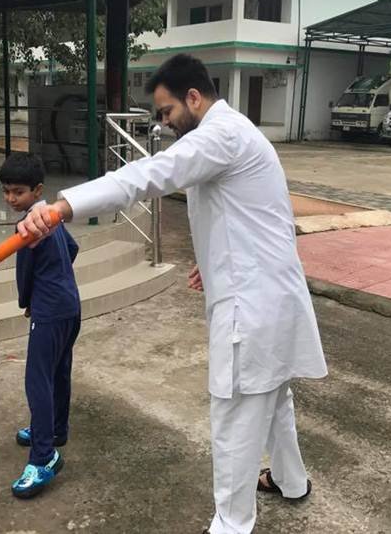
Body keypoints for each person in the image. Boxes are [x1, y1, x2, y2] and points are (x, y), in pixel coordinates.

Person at [17, 53, 327, 533]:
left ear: (194, 98)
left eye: (166, 112)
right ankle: (292, 481)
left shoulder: (219, 135)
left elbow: (145, 177)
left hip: (253, 306)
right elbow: (261, 217)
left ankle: (230, 525)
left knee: (235, 418)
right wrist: (217, 262)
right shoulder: (238, 134)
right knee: (273, 396)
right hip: (268, 292)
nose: (163, 123)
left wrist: (62, 207)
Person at [0, 153, 81, 499]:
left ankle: (44, 456)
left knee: (38, 381)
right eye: (6, 192)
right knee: (58, 371)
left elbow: (25, 274)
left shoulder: (29, 228)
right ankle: (55, 430)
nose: (10, 199)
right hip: (70, 305)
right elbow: (73, 248)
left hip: (49, 311)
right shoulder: (52, 217)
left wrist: (28, 301)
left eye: (18, 192)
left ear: (37, 190)